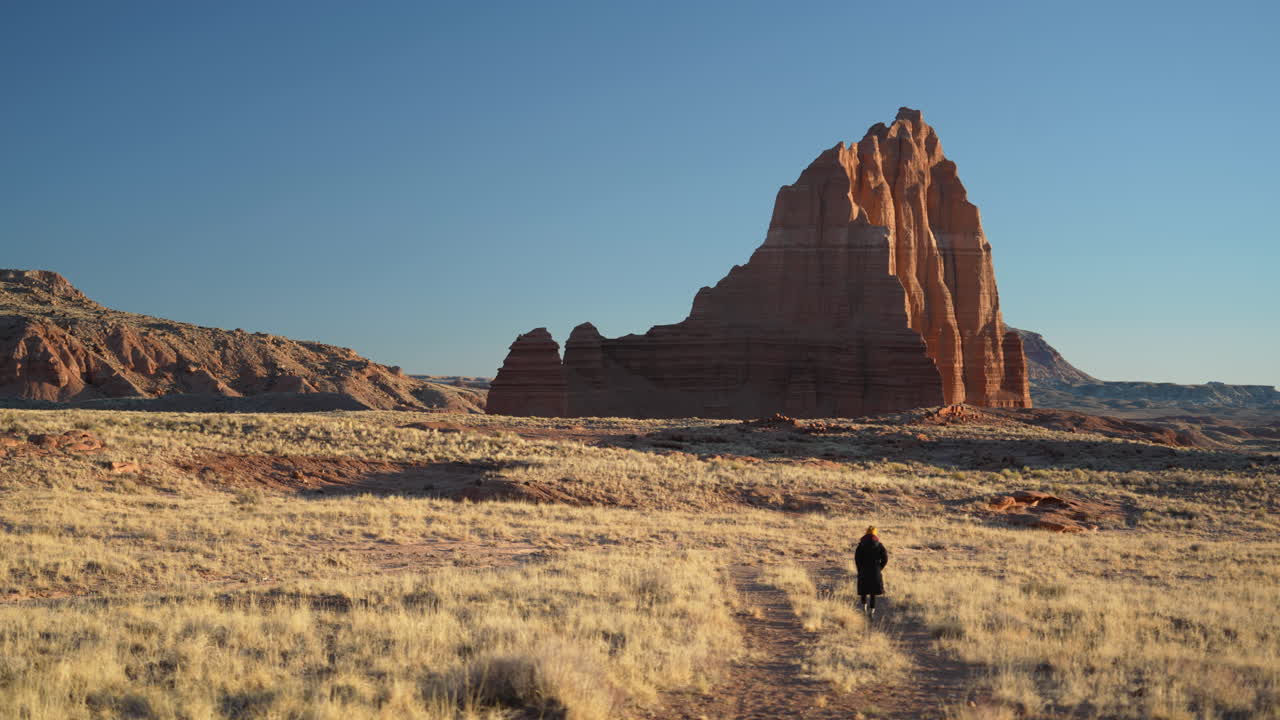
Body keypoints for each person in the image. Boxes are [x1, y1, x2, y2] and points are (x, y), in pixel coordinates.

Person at [854, 526, 888, 618]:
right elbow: (885, 558)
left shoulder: (861, 545)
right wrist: (879, 568)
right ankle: (871, 613)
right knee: (873, 593)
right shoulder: (879, 545)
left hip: (863, 571)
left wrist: (859, 569)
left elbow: (857, 559)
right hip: (875, 571)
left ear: (866, 533)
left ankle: (864, 610)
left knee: (863, 591)